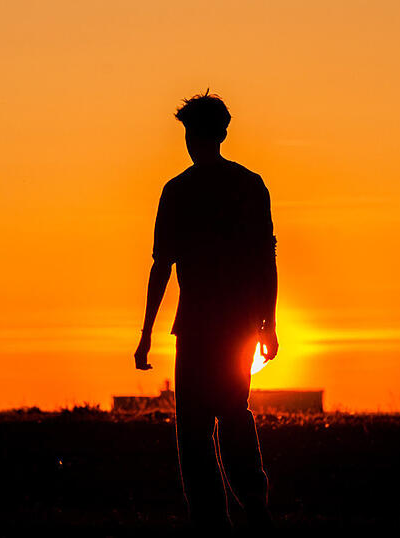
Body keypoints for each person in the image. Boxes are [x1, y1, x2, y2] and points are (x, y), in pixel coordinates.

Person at [134, 92, 279, 528]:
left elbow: (163, 266)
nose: (189, 141)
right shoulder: (249, 185)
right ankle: (246, 507)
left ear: (204, 135)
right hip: (229, 327)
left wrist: (145, 335)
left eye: (190, 133)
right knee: (230, 418)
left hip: (203, 329)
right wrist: (268, 323)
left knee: (198, 432)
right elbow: (265, 261)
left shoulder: (180, 191)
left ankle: (220, 519)